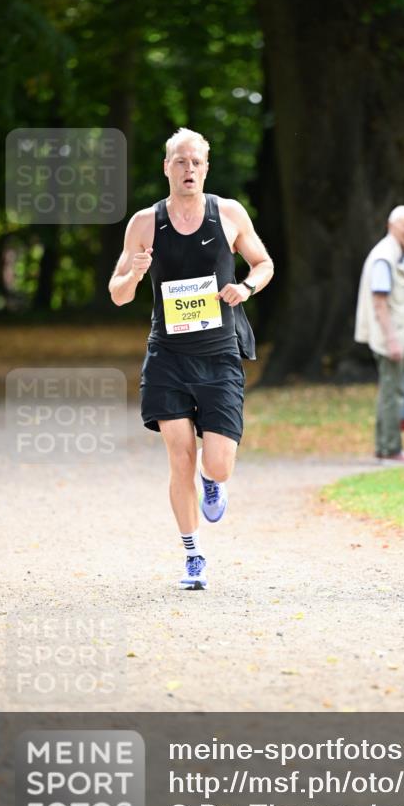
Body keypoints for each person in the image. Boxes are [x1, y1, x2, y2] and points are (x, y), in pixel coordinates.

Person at [109, 128, 273, 590]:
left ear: (206, 168)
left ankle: (212, 479)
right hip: (168, 356)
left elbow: (264, 263)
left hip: (219, 355)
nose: (189, 169)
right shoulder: (145, 223)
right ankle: (193, 555)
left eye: (196, 162)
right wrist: (134, 275)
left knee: (217, 464)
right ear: (166, 167)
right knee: (179, 457)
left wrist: (246, 287)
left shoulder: (229, 213)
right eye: (180, 161)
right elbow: (117, 294)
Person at [355, 205, 404, 462]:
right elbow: (380, 302)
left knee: (390, 389)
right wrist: (392, 339)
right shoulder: (384, 256)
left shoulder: (398, 254)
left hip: (399, 332)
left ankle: (385, 446)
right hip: (391, 334)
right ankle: (391, 448)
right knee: (392, 391)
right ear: (391, 226)